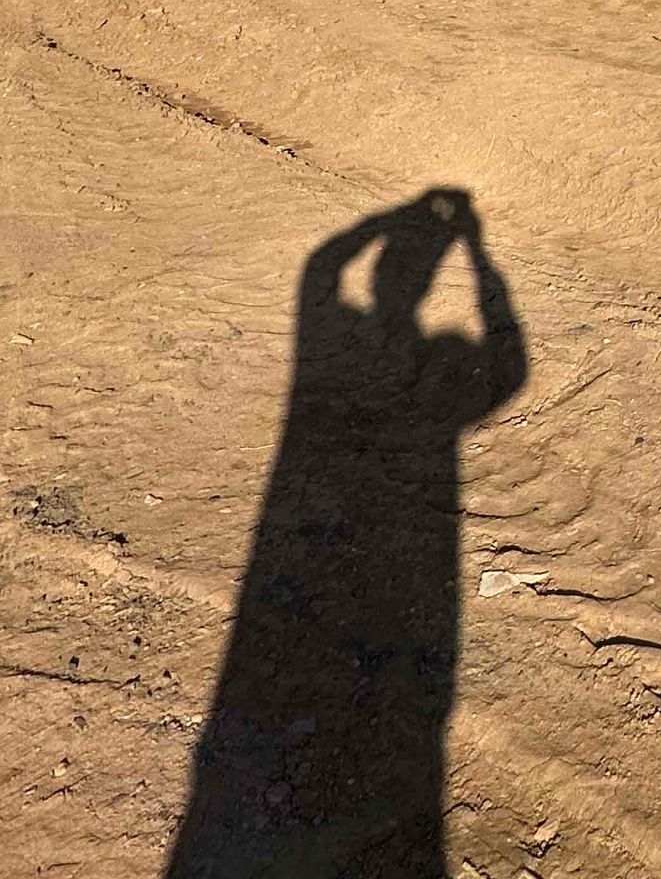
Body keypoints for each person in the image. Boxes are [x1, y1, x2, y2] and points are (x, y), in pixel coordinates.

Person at [166, 187, 527, 877]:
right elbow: (510, 372)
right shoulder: (371, 350)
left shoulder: (332, 331)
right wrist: (477, 254)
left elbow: (321, 268)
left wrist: (393, 221)